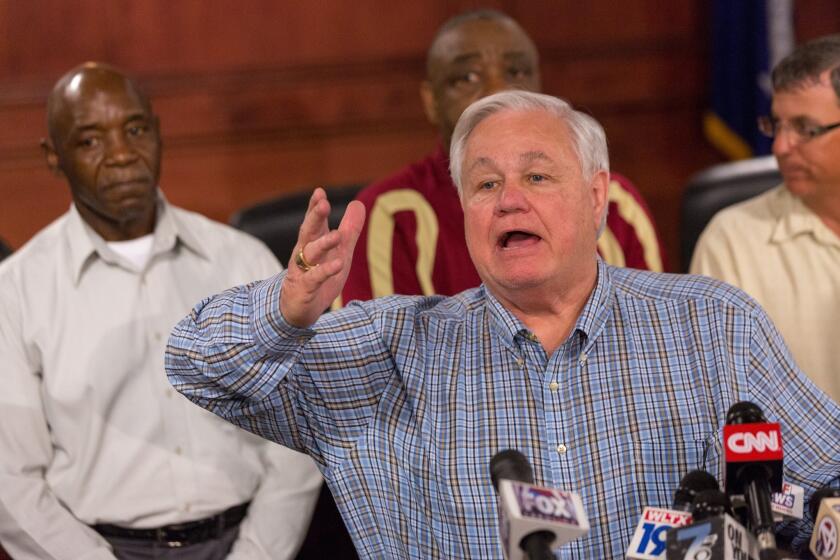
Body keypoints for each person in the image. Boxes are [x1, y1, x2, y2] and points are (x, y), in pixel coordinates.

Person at [166, 90, 839, 558]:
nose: (509, 199)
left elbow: (831, 479)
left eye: (538, 176)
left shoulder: (713, 326)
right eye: (485, 185)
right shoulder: (391, 347)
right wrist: (287, 313)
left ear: (598, 195)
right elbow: (194, 364)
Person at [0, 62, 322, 559]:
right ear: (53, 158)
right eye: (90, 141)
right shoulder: (16, 292)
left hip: (248, 543)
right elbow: (12, 483)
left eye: (134, 130)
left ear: (157, 131)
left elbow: (296, 435)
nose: (123, 155)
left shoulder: (243, 261)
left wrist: (256, 554)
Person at [340, 9, 666, 306]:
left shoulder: (614, 202)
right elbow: (377, 359)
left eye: (516, 72)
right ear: (431, 101)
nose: (498, 91)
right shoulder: (390, 214)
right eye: (467, 78)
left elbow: (650, 333)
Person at [690, 34, 840, 403]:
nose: (779, 148)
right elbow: (718, 401)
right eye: (776, 125)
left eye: (806, 129)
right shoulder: (733, 241)